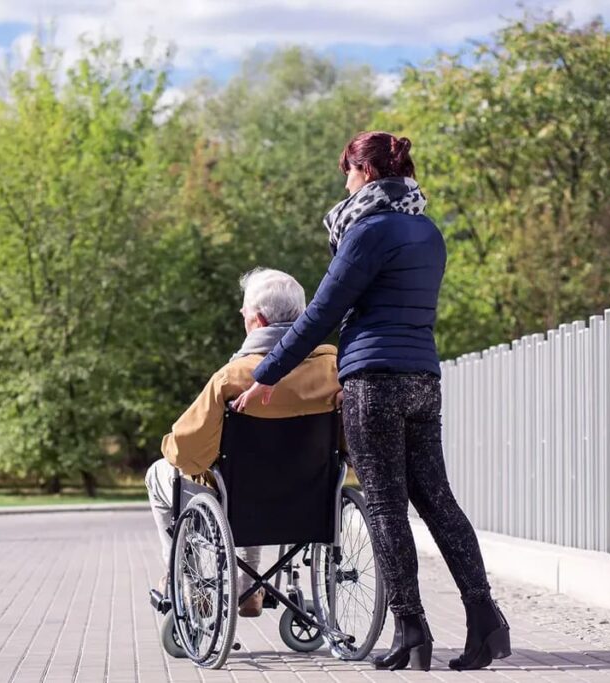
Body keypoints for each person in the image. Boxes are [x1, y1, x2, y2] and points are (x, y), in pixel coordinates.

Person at [233, 132, 510, 671]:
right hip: (422, 378)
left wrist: (267, 374)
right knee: (438, 500)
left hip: (373, 382)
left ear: (364, 173)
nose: (344, 183)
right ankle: (486, 621)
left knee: (385, 505)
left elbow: (319, 315)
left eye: (347, 173)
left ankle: (411, 630)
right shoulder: (428, 232)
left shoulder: (367, 231)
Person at [146, 268, 340, 618]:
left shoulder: (234, 377)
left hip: (241, 498)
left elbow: (187, 450)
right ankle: (249, 588)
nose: (242, 318)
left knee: (162, 473)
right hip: (309, 499)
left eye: (245, 314)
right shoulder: (334, 370)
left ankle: (186, 581)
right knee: (249, 482)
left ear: (259, 321)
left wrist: (170, 447)